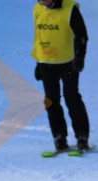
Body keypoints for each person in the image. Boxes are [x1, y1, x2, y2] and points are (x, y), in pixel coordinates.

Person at [32, 0, 90, 152]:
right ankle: (59, 137)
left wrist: (79, 57)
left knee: (71, 97)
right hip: (46, 64)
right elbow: (40, 38)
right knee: (51, 101)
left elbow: (81, 35)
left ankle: (82, 136)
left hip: (68, 63)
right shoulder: (38, 9)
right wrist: (38, 62)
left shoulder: (70, 9)